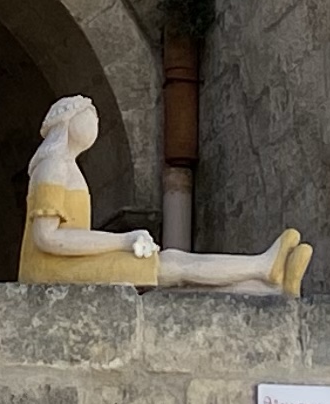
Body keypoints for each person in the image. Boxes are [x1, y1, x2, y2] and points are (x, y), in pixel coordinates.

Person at [17, 94, 309, 293]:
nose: (93, 119)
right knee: (171, 265)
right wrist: (123, 240)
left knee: (172, 270)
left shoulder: (65, 166)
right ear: (67, 123)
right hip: (53, 269)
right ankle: (263, 267)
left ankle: (266, 289)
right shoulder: (53, 166)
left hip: (68, 264)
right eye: (86, 113)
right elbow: (47, 238)